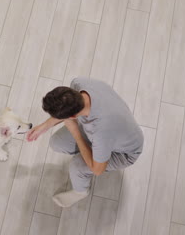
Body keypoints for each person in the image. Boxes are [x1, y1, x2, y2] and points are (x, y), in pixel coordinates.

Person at [26, 77, 144, 207]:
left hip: (124, 152)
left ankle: (80, 191)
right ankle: (93, 152)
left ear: (72, 117)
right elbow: (67, 108)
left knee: (78, 165)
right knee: (57, 142)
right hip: (108, 132)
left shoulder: (101, 132)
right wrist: (44, 126)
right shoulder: (80, 84)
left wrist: (76, 133)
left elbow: (98, 170)